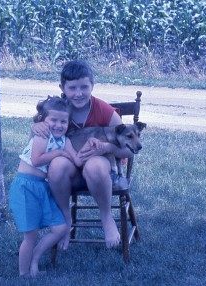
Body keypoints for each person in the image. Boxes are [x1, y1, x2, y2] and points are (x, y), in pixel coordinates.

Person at [32, 60, 134, 251]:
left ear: (92, 86)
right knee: (57, 165)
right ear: (62, 87)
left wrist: (106, 147)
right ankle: (65, 219)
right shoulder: (57, 109)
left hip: (101, 174)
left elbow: (128, 149)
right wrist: (36, 127)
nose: (78, 93)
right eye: (72, 88)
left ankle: (106, 217)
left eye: (84, 87)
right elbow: (35, 140)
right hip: (70, 173)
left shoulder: (103, 110)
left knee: (94, 164)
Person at [9, 96, 82, 277]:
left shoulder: (65, 141)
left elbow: (77, 159)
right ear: (43, 120)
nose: (58, 125)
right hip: (25, 186)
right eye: (53, 120)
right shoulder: (43, 135)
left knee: (60, 228)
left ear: (68, 122)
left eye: (63, 121)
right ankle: (24, 273)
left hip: (42, 187)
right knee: (31, 236)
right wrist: (59, 153)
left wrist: (97, 148)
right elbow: (36, 159)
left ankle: (34, 257)